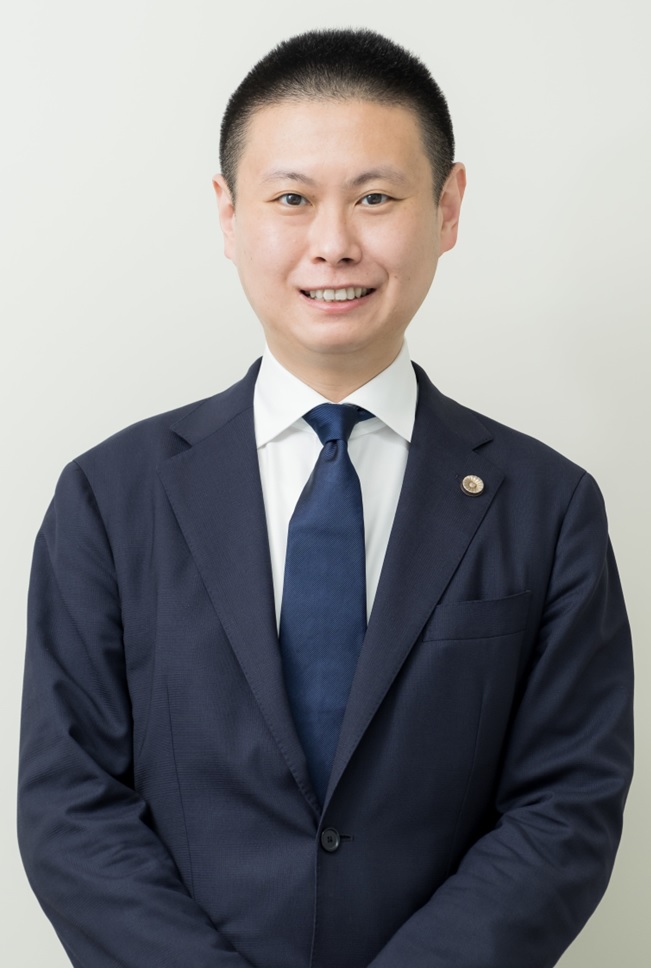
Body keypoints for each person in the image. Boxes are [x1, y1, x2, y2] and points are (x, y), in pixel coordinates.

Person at [18, 28, 633, 968]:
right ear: (228, 216)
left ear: (447, 208)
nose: (334, 244)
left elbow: (565, 804)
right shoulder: (108, 497)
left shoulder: (546, 506)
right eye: (292, 199)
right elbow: (70, 804)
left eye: (376, 198)